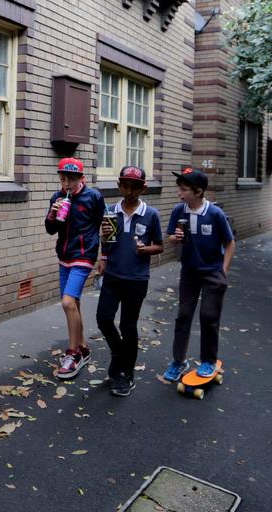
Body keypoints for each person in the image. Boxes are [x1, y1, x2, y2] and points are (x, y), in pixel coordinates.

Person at [160, 166, 235, 383]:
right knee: (183, 316)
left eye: (184, 190)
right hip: (189, 272)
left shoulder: (215, 214)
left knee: (209, 317)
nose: (179, 193)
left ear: (198, 192)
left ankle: (208, 360)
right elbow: (171, 239)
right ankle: (178, 361)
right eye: (179, 189)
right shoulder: (178, 211)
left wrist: (224, 271)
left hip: (213, 272)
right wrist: (175, 237)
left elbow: (229, 243)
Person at [96, 165, 163, 396]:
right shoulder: (111, 211)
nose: (129, 190)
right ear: (119, 185)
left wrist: (146, 250)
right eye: (125, 185)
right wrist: (103, 256)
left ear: (143, 188)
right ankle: (119, 354)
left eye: (135, 186)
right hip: (113, 274)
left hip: (136, 278)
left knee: (127, 325)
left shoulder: (151, 214)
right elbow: (107, 240)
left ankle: (126, 374)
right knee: (103, 318)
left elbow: (160, 246)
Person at [45, 158, 105, 379]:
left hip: (84, 255)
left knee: (67, 302)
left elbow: (106, 225)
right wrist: (53, 214)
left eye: (71, 178)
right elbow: (50, 230)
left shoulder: (94, 197)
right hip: (64, 256)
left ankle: (73, 354)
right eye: (63, 178)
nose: (66, 183)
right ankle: (83, 348)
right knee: (74, 304)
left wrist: (104, 255)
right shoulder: (57, 196)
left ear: (82, 178)